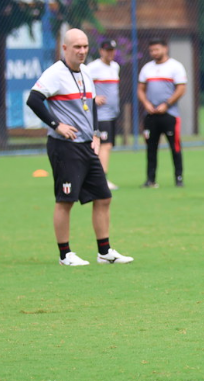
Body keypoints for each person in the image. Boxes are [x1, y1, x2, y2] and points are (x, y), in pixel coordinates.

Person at [26, 28, 133, 266]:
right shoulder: (55, 73)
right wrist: (57, 125)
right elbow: (33, 99)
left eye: (85, 46)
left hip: (86, 145)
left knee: (104, 197)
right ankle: (65, 254)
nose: (82, 51)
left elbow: (92, 105)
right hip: (64, 147)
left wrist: (95, 133)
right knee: (65, 200)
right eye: (77, 47)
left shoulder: (86, 71)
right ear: (65, 48)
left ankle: (104, 252)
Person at [137, 38, 188, 188]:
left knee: (175, 147)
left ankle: (178, 178)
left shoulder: (175, 67)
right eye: (152, 50)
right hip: (151, 115)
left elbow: (181, 89)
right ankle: (150, 179)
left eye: (157, 49)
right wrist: (146, 103)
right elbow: (140, 89)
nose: (154, 53)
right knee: (151, 148)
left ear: (165, 48)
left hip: (169, 115)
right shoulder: (147, 68)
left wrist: (167, 104)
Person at [85, 40, 121, 190]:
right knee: (104, 146)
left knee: (108, 145)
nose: (110, 53)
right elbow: (81, 85)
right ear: (101, 51)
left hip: (112, 114)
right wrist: (93, 98)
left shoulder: (115, 67)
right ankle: (101, 179)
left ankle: (96, 177)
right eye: (107, 50)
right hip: (100, 115)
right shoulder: (92, 68)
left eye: (112, 50)